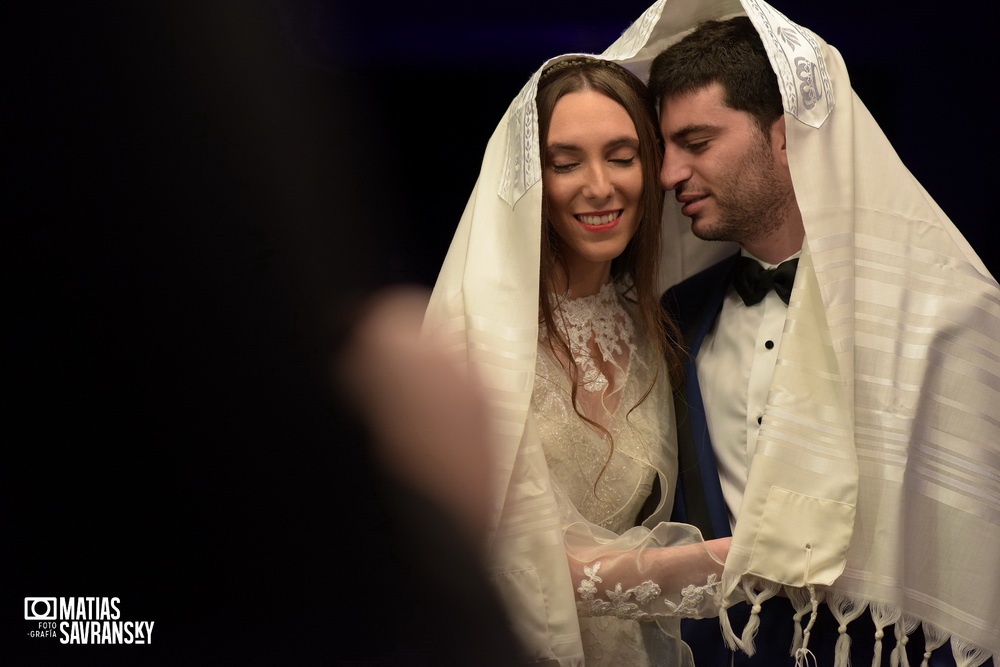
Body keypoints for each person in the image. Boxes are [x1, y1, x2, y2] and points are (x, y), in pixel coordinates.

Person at [644, 6, 999, 667]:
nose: (668, 175)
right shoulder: (678, 314)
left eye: (695, 144)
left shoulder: (937, 312)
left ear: (783, 137)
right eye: (665, 150)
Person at [424, 56, 731, 665]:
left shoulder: (651, 325)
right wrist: (736, 562)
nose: (599, 186)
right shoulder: (482, 335)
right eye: (566, 164)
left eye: (622, 157)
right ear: (531, 179)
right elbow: (522, 564)